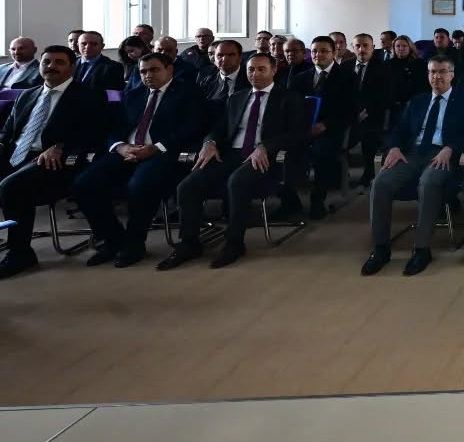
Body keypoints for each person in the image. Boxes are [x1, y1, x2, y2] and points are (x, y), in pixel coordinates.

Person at [158, 53, 310, 270]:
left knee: (237, 181)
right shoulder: (237, 97)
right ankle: (189, 243)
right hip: (231, 154)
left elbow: (298, 133)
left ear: (274, 70)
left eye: (261, 69)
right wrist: (210, 142)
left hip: (267, 156)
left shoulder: (289, 98)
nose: (255, 74)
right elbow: (220, 128)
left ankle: (234, 242)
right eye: (251, 69)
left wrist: (265, 146)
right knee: (187, 186)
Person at [73, 52, 206, 267]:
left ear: (169, 69)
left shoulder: (188, 92)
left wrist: (156, 148)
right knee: (84, 184)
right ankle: (113, 238)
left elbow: (192, 129)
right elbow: (112, 127)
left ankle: (134, 243)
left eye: (154, 70)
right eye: (143, 71)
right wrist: (120, 146)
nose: (148, 75)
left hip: (164, 153)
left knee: (140, 186)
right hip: (128, 151)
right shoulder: (133, 94)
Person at [361, 55, 464, 277]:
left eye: (442, 72)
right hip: (412, 153)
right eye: (432, 72)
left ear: (452, 75)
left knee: (428, 182)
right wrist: (394, 147)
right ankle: (380, 248)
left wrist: (451, 148)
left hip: (444, 155)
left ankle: (422, 249)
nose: (436, 76)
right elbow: (400, 129)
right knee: (380, 183)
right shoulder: (418, 101)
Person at [0, 45, 107, 279]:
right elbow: (8, 133)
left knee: (11, 188)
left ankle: (20, 253)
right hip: (17, 154)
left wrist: (60, 146)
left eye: (59, 62)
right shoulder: (28, 94)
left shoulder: (88, 95)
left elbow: (94, 136)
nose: (51, 66)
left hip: (56, 161)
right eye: (46, 62)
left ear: (72, 67)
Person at [288, 36, 358, 219]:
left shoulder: (348, 76)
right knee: (284, 153)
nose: (318, 54)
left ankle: (317, 200)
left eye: (324, 51)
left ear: (334, 53)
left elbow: (350, 111)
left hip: (331, 129)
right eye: (314, 51)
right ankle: (290, 202)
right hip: (303, 128)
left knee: (321, 153)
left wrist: (326, 125)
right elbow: (290, 108)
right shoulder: (300, 78)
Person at [348, 33, 390, 185]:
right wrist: (353, 113)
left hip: (372, 114)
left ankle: (369, 172)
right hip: (348, 114)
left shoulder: (384, 68)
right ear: (353, 48)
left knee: (370, 137)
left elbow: (386, 96)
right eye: (358, 46)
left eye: (366, 45)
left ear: (373, 47)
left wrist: (366, 112)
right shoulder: (345, 66)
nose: (362, 49)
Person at [199, 39, 249, 103]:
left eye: (231, 55)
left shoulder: (250, 79)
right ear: (214, 58)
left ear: (240, 58)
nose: (225, 59)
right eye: (220, 55)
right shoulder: (207, 81)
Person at [386, 35, 428, 110]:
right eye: (398, 46)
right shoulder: (387, 64)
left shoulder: (420, 64)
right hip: (392, 104)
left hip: (414, 103)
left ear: (410, 48)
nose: (401, 48)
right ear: (394, 48)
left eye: (404, 46)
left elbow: (423, 86)